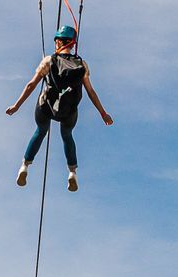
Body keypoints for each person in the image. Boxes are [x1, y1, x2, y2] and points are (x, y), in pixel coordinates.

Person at [7, 24, 112, 191]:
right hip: (68, 111)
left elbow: (30, 85)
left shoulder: (49, 60)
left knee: (41, 131)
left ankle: (25, 166)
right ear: (72, 44)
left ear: (58, 42)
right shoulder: (81, 64)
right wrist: (103, 113)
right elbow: (91, 91)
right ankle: (72, 173)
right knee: (67, 135)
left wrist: (16, 106)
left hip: (46, 107)